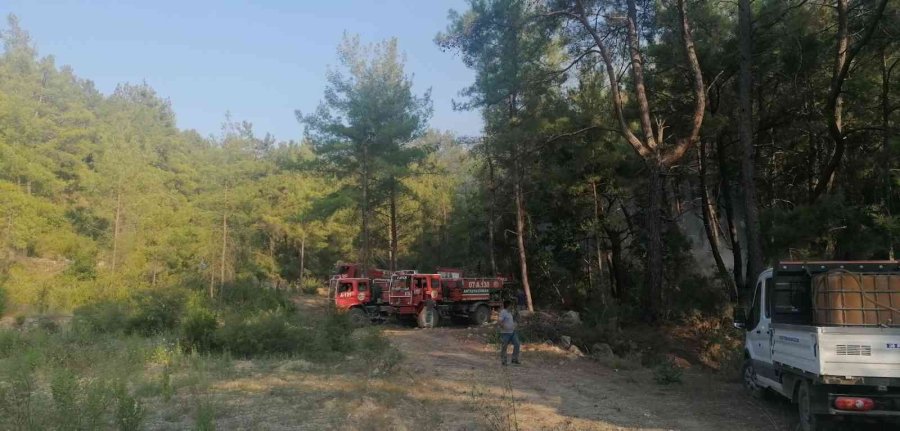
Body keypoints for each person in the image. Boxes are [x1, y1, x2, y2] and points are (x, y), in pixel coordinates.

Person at [498, 300, 521, 366]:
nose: (512, 306)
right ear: (508, 306)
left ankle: (514, 359)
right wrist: (504, 327)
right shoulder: (503, 312)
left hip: (512, 332)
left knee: (517, 344)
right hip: (505, 333)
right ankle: (504, 361)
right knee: (504, 347)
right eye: (511, 305)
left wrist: (514, 324)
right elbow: (499, 321)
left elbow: (511, 321)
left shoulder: (509, 312)